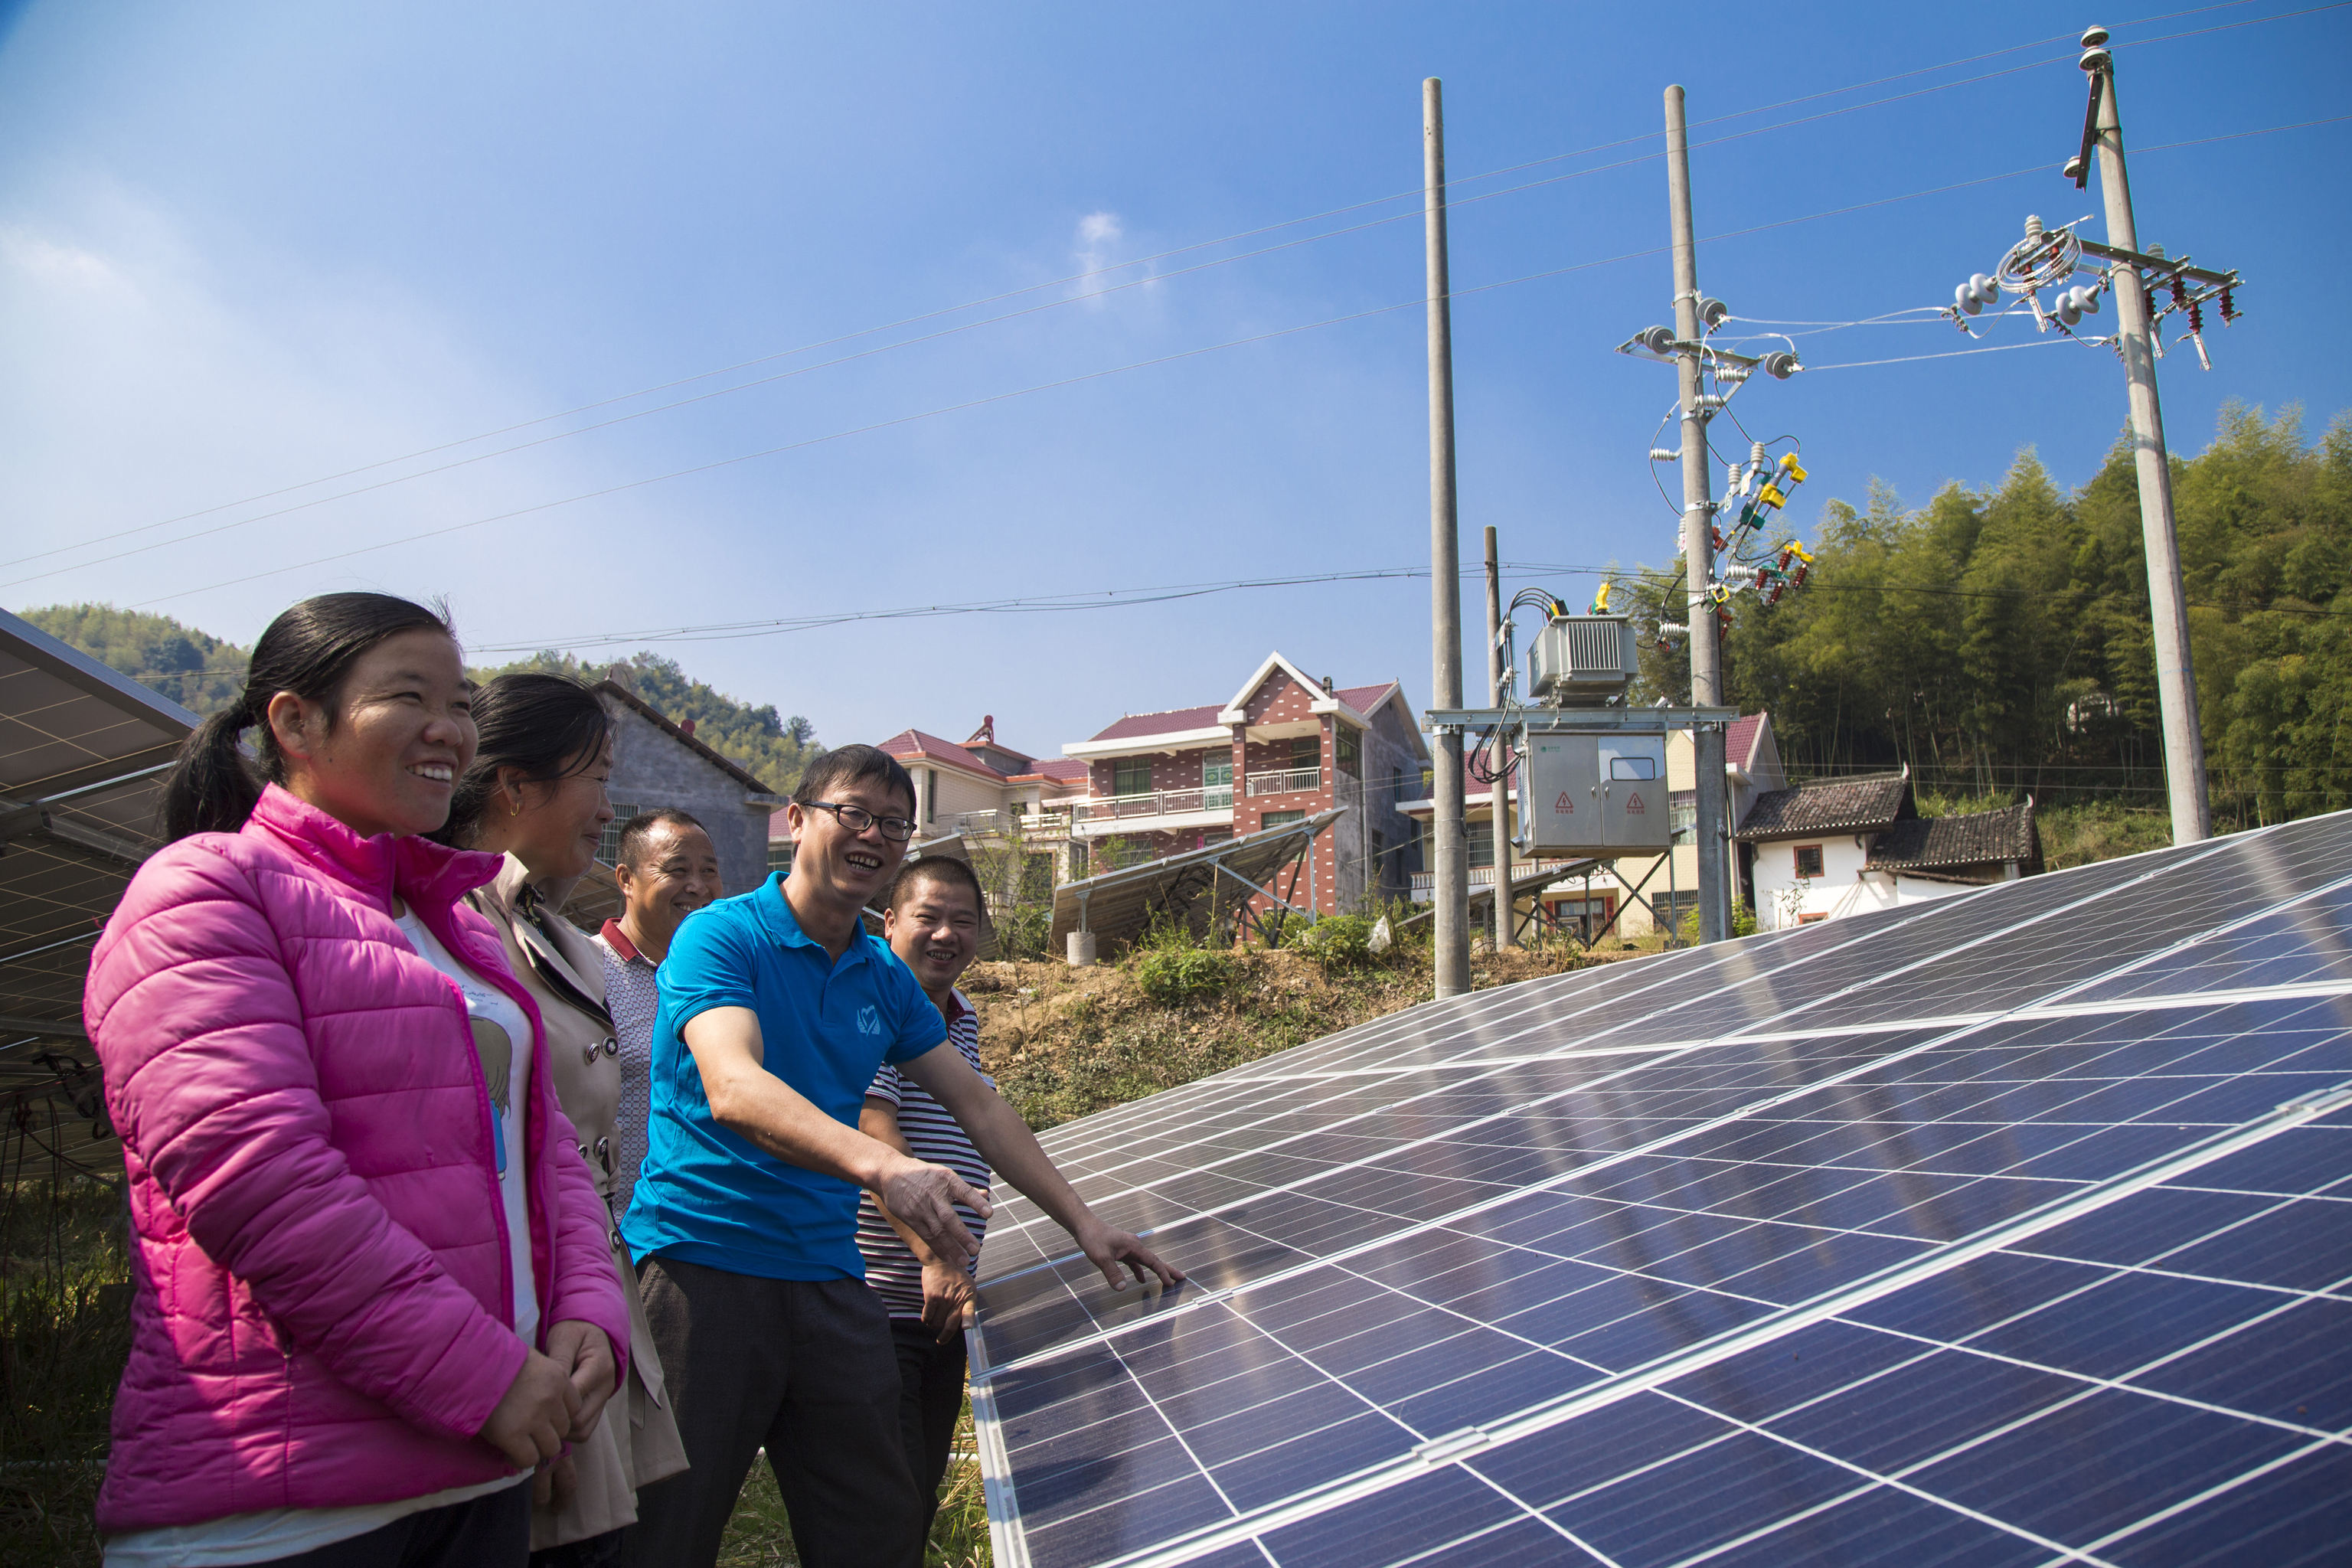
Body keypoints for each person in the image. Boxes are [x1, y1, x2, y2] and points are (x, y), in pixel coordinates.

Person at [84, 593, 627, 1568]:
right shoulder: (207, 888)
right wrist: (485, 1375)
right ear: (295, 722)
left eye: (460, 701)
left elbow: (543, 1146)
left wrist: (589, 1309)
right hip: (287, 1508)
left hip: (478, 1473)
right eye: (408, 695)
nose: (448, 729)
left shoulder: (457, 925)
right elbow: (256, 1178)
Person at [619, 746, 1179, 1568]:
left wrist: (1086, 1223)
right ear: (800, 819)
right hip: (703, 1268)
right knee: (667, 1532)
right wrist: (884, 1166)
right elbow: (734, 1084)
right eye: (854, 812)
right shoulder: (720, 935)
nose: (874, 835)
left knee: (878, 1528)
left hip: (827, 1277)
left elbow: (979, 1103)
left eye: (893, 823)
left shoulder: (880, 972)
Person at [436, 675, 691, 1565]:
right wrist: (497, 1368)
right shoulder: (439, 925)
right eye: (595, 777)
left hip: (578, 1310)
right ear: (515, 786)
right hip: (502, 1333)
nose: (606, 807)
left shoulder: (552, 929)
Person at [859, 854, 1187, 1537]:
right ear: (889, 922)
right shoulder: (873, 1002)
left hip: (940, 1304)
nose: (946, 934)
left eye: (963, 921)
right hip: (878, 1303)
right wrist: (934, 1252)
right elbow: (877, 1135)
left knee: (911, 1508)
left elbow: (990, 1125)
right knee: (878, 1518)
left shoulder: (959, 1014)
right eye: (929, 917)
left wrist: (1085, 1227)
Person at [590, 808, 724, 1223]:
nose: (698, 887)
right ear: (626, 879)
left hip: (693, 1236)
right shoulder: (584, 971)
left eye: (709, 871)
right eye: (677, 870)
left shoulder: (726, 980)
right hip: (606, 1231)